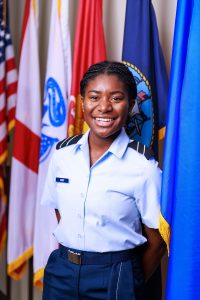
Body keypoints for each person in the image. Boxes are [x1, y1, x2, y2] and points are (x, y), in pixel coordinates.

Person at [41, 61, 166, 300]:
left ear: (130, 106)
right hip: (62, 271)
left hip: (115, 275)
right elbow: (61, 211)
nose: (104, 107)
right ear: (82, 102)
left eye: (116, 98)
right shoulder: (62, 154)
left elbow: (157, 240)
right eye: (94, 97)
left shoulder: (142, 166)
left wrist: (132, 281)